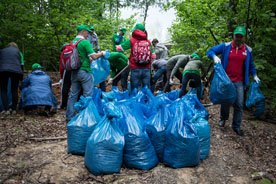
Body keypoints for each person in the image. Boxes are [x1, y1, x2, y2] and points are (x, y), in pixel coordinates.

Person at [207, 26, 260, 136]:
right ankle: (223, 119)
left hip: (239, 81)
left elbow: (251, 65)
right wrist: (214, 57)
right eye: (237, 36)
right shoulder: (225, 46)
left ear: (244, 37)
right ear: (233, 35)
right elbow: (210, 51)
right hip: (226, 81)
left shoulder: (248, 50)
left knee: (239, 104)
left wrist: (254, 75)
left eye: (241, 36)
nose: (238, 38)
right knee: (226, 101)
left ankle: (236, 126)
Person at [66, 25, 105, 122]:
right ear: (83, 31)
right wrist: (102, 53)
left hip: (74, 72)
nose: (88, 34)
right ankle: (86, 119)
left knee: (73, 95)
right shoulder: (84, 42)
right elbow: (94, 56)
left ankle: (69, 116)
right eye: (87, 32)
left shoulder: (72, 42)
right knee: (88, 95)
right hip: (84, 71)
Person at [116, 23, 156, 91]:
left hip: (135, 69)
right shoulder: (148, 42)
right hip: (146, 69)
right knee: (146, 90)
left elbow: (119, 48)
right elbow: (153, 56)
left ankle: (135, 101)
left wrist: (117, 44)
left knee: (134, 91)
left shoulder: (131, 40)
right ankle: (146, 101)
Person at [0, 42, 24, 115]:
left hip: (3, 71)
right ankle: (13, 109)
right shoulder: (19, 52)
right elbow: (22, 65)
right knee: (14, 90)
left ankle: (6, 109)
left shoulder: (2, 51)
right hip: (16, 71)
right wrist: (21, 78)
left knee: (3, 90)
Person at [59, 43, 71, 109]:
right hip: (76, 70)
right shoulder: (75, 48)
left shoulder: (65, 51)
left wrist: (61, 77)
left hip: (67, 70)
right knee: (76, 88)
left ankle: (63, 104)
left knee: (65, 87)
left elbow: (62, 66)